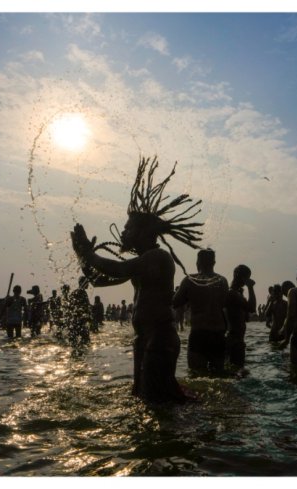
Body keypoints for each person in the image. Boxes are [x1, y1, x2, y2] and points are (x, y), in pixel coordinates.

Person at [71, 155, 202, 403]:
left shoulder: (157, 257)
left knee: (159, 406)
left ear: (143, 232)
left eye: (128, 228)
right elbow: (98, 281)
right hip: (144, 339)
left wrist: (89, 253)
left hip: (160, 339)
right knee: (143, 399)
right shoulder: (141, 264)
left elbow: (118, 269)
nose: (123, 232)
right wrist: (82, 255)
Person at [172, 249, 229, 372]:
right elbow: (224, 304)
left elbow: (175, 302)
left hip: (199, 333)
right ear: (214, 262)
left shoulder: (190, 280)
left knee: (196, 375)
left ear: (198, 263)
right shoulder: (223, 281)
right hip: (218, 333)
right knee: (219, 375)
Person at [225, 264, 256, 369]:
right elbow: (252, 307)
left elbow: (246, 317)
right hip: (234, 340)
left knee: (236, 372)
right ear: (242, 277)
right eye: (247, 277)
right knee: (238, 373)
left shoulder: (236, 294)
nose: (248, 280)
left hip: (237, 339)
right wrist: (250, 287)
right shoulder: (232, 293)